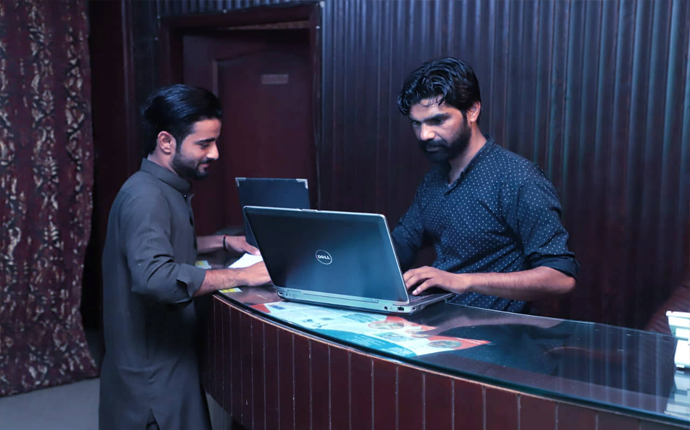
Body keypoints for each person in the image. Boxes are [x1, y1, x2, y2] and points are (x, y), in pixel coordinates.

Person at [99, 84, 270, 430]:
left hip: (164, 366)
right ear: (166, 142)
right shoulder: (146, 198)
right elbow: (155, 278)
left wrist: (222, 242)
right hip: (152, 382)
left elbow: (159, 244)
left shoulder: (160, 188)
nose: (215, 153)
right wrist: (244, 275)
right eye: (204, 144)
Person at [392, 57, 579, 313]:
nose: (425, 135)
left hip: (494, 331)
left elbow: (561, 278)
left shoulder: (518, 178)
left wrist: (463, 281)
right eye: (417, 123)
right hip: (437, 325)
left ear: (472, 111)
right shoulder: (434, 179)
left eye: (437, 121)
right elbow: (403, 242)